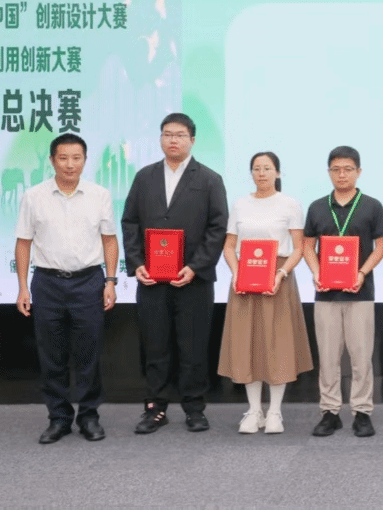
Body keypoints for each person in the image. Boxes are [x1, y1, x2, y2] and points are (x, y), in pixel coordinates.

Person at [122, 112, 229, 434]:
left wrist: (195, 267)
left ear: (192, 140)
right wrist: (137, 263)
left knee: (192, 347)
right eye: (167, 134)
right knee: (155, 346)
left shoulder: (209, 179)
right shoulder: (145, 177)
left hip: (193, 280)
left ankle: (194, 408)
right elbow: (130, 222)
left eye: (180, 135)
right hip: (152, 279)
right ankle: (155, 408)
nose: (173, 140)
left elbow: (218, 227)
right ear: (160, 139)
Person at [14, 133, 118, 444]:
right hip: (47, 283)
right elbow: (23, 243)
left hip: (89, 282)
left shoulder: (100, 195)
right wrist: (22, 287)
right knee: (51, 355)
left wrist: (110, 281)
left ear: (85, 160)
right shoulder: (33, 196)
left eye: (76, 158)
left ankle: (89, 416)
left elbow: (109, 240)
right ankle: (58, 418)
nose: (70, 164)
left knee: (88, 353)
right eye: (63, 158)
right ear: (52, 160)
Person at [217, 151, 313, 434]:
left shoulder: (290, 204)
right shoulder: (240, 204)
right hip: (245, 279)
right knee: (246, 343)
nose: (261, 173)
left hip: (277, 279)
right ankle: (254, 410)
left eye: (267, 168)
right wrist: (236, 272)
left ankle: (274, 412)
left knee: (277, 343)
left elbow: (298, 248)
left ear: (277, 173)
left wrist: (281, 274)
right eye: (257, 168)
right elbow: (229, 246)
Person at [303, 145, 383, 438]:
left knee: (361, 357)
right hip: (326, 294)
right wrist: (316, 272)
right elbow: (307, 245)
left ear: (358, 172)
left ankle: (362, 412)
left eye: (348, 169)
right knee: (328, 358)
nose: (342, 175)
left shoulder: (372, 206)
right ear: (329, 172)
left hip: (360, 292)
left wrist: (362, 272)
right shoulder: (317, 207)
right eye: (336, 169)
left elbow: (381, 246)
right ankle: (330, 412)